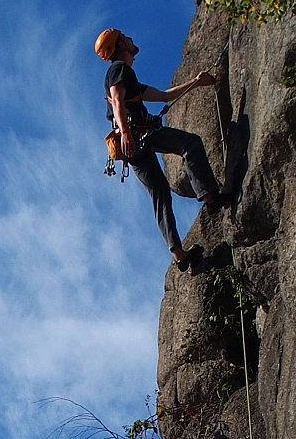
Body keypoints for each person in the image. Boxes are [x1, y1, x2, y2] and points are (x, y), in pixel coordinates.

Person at [95, 28, 222, 270]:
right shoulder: (118, 70)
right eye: (126, 37)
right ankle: (210, 196)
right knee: (190, 144)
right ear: (120, 45)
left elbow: (164, 96)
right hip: (137, 136)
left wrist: (196, 83)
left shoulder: (127, 77)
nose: (131, 38)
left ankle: (179, 254)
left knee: (160, 191)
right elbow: (118, 100)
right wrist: (124, 132)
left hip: (133, 146)